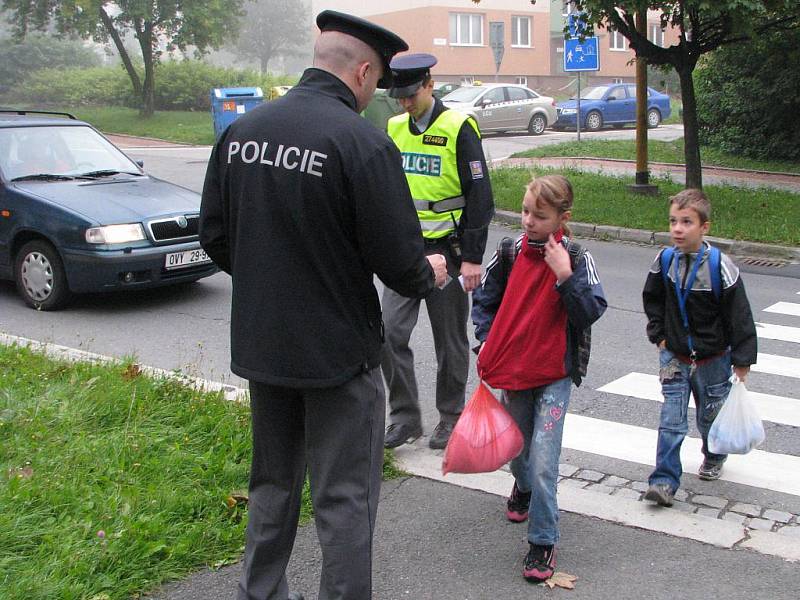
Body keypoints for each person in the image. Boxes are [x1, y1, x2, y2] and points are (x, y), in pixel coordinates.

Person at [199, 11, 448, 600]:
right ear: (363, 72)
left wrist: (273, 275)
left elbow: (214, 235)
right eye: (376, 83)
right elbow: (400, 264)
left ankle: (257, 593)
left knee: (272, 488)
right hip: (340, 357)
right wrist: (430, 271)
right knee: (344, 501)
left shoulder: (243, 133)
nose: (374, 96)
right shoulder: (362, 143)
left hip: (264, 348)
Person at [471, 175, 607, 583]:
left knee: (545, 460)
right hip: (515, 369)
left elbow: (590, 311)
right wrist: (485, 338)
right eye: (526, 211)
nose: (528, 221)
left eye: (539, 216)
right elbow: (485, 299)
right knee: (518, 450)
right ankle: (523, 487)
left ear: (563, 218)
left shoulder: (578, 258)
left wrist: (565, 277)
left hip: (554, 375)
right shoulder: (509, 251)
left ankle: (542, 541)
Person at [381, 53, 494, 450]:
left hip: (449, 248)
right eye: (400, 96)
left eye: (412, 94)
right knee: (388, 334)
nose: (406, 103)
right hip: (407, 251)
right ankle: (406, 417)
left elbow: (481, 196)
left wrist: (473, 257)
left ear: (429, 84)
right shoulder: (394, 127)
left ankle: (450, 416)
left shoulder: (458, 126)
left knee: (449, 340)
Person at [643, 188, 757, 507]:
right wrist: (659, 335)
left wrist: (743, 359)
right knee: (671, 419)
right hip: (675, 357)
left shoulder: (721, 266)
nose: (678, 229)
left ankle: (714, 454)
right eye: (673, 221)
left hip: (713, 359)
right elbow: (652, 300)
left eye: (687, 222)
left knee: (710, 416)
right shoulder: (664, 261)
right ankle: (664, 481)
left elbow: (740, 315)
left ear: (704, 227)